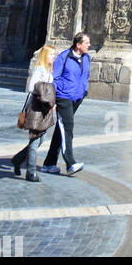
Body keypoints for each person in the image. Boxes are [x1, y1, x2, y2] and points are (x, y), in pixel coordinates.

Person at [42, 31, 91, 174]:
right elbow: (54, 78)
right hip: (64, 97)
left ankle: (49, 163)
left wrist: (83, 91)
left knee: (61, 128)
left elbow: (85, 76)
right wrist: (56, 97)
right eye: (86, 43)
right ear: (78, 45)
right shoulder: (64, 57)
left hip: (76, 97)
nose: (89, 45)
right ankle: (70, 163)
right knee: (67, 127)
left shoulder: (86, 58)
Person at [11, 45, 57, 182]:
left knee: (40, 138)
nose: (53, 57)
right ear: (44, 56)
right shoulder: (39, 70)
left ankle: (18, 159)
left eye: (54, 54)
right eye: (51, 54)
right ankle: (31, 172)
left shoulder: (48, 70)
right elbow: (32, 87)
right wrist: (46, 93)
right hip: (36, 108)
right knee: (35, 139)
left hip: (44, 109)